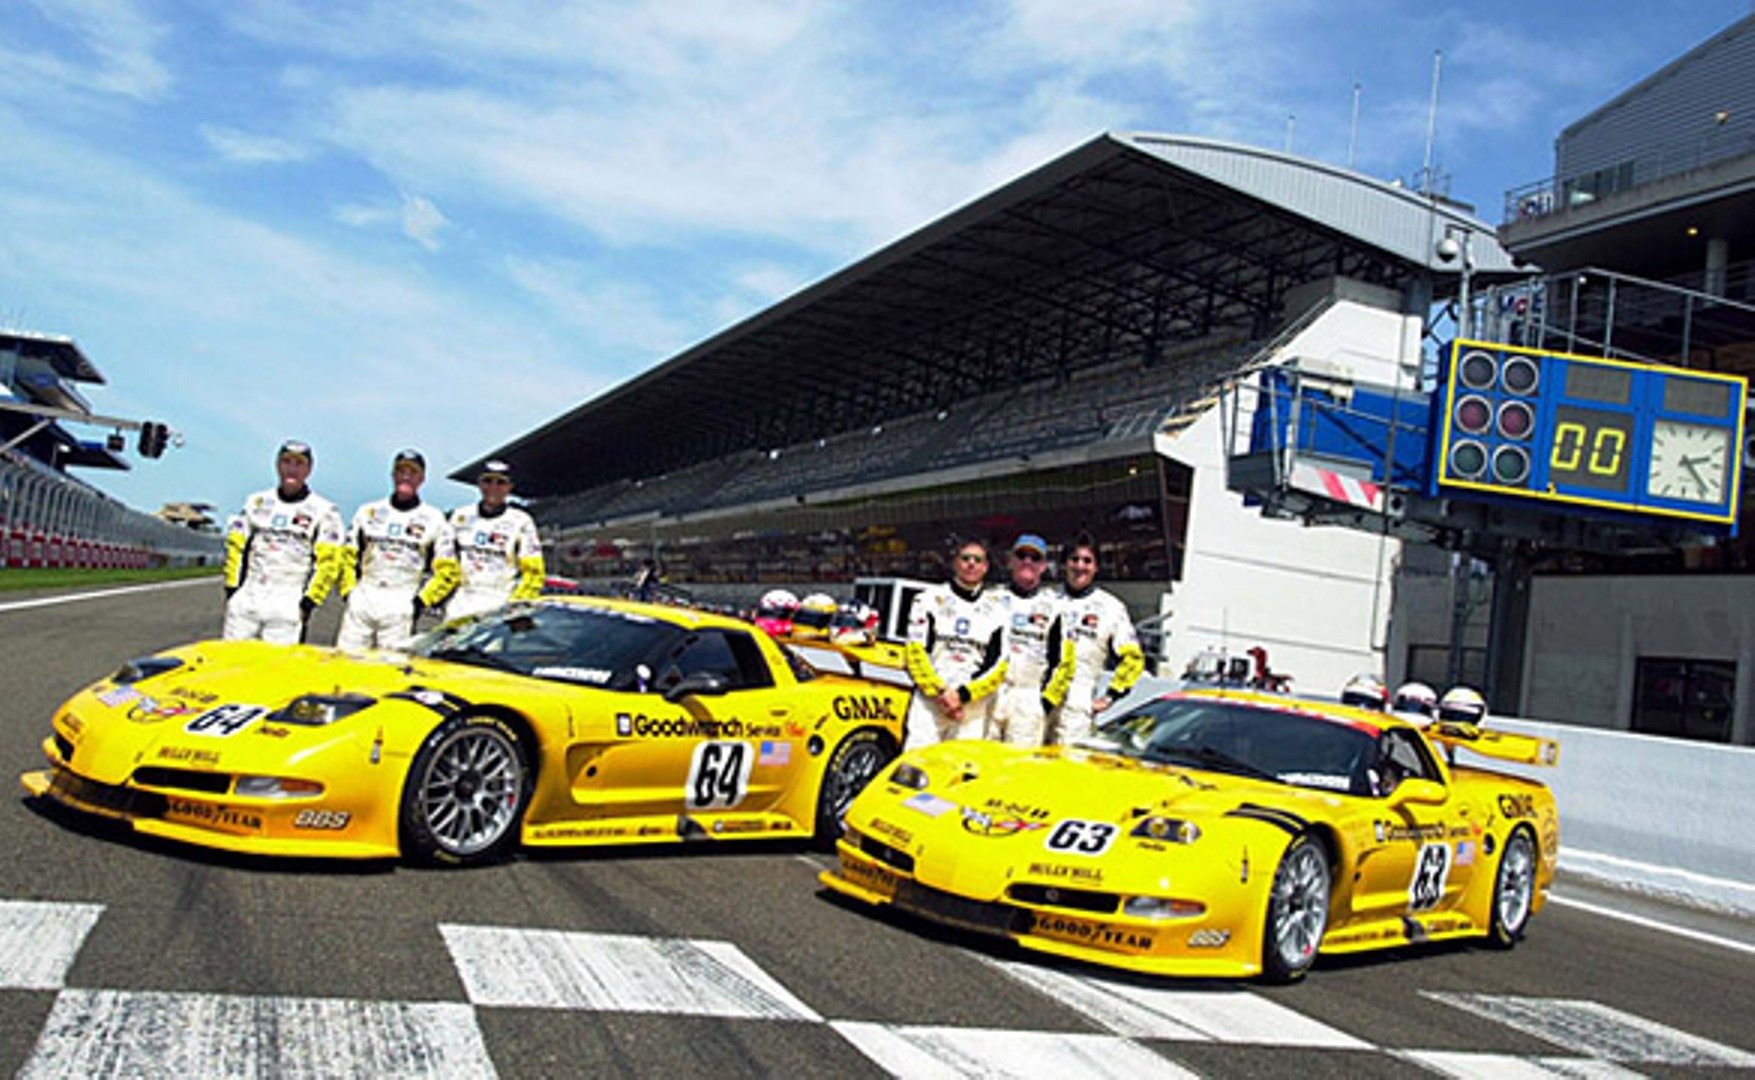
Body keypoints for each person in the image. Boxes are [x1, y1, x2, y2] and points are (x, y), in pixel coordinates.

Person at [221, 440, 344, 644]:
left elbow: (328, 563)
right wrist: (233, 589)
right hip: (249, 596)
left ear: (309, 469)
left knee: (276, 670)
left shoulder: (324, 510)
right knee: (231, 666)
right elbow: (236, 547)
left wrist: (308, 602)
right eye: (287, 462)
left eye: (299, 463)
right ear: (278, 465)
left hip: (288, 600)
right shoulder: (256, 502)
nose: (292, 469)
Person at [336, 449, 459, 651]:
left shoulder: (434, 519)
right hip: (364, 595)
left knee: (390, 667)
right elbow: (347, 556)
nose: (406, 476)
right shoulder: (368, 512)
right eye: (401, 471)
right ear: (393, 474)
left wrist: (421, 602)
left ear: (422, 479)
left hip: (402, 599)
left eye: (413, 472)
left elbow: (448, 571)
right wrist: (349, 592)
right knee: (345, 661)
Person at [902, 537, 1007, 750]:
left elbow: (998, 665)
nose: (971, 564)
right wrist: (941, 693)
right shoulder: (928, 599)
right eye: (965, 558)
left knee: (961, 775)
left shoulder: (999, 610)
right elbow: (915, 652)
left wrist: (962, 696)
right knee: (915, 767)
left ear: (985, 567)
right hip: (930, 703)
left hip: (971, 708)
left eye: (978, 560)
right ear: (955, 563)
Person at [1051, 535, 1145, 746]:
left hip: (1078, 700)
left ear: (1096, 568)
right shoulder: (1046, 599)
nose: (1079, 566)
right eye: (1074, 559)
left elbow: (1133, 658)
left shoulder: (1111, 608)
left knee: (1068, 767)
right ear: (1064, 564)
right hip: (1039, 696)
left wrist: (1112, 695)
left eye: (1087, 561)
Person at [990, 533, 1076, 748]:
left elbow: (1064, 662)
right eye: (1021, 555)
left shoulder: (1056, 607)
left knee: (1019, 766)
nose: (1027, 561)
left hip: (1029, 695)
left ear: (1044, 566)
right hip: (990, 693)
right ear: (1011, 560)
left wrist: (1045, 702)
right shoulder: (990, 599)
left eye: (1034, 558)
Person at [445, 459, 544, 622]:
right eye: (488, 481)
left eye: (500, 482)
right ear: (479, 484)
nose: (493, 487)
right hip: (461, 603)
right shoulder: (459, 517)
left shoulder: (521, 521)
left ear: (510, 487)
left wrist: (514, 607)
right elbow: (445, 563)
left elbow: (533, 574)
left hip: (498, 603)